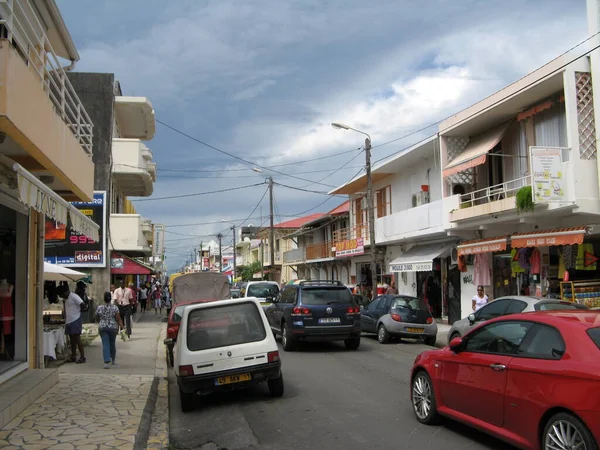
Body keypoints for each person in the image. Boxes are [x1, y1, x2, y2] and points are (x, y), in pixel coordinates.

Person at [96, 291, 124, 369]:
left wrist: (101, 321)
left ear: (104, 299)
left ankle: (106, 362)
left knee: (105, 344)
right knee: (112, 343)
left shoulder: (99, 307)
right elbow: (118, 319)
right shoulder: (115, 307)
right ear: (110, 298)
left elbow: (96, 317)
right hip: (113, 327)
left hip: (103, 327)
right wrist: (122, 327)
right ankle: (113, 359)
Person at [59, 284, 85, 363]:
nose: (62, 296)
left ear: (66, 292)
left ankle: (82, 357)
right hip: (69, 320)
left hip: (75, 319)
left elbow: (83, 304)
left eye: (62, 294)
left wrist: (78, 312)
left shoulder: (74, 296)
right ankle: (73, 356)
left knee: (77, 338)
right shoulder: (66, 298)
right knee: (72, 340)